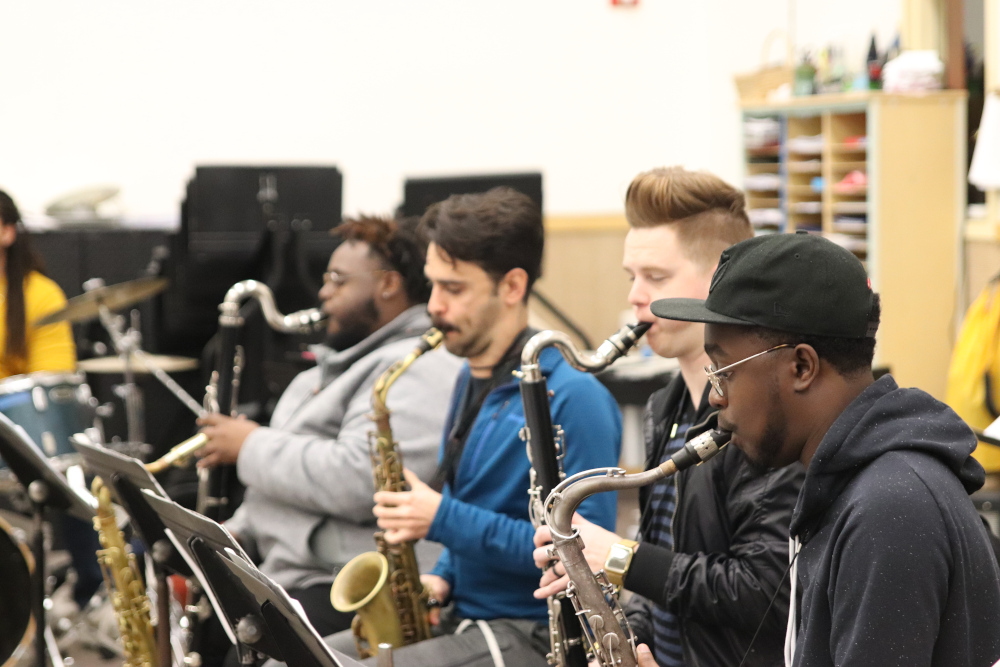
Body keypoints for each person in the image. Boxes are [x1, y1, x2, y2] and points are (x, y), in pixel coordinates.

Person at [649, 231, 1000, 667]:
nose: (715, 397)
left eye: (723, 371)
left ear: (801, 366)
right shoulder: (856, 485)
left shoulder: (887, 509)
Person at [338, 187, 623, 666]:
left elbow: (583, 556)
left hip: (533, 632)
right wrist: (443, 576)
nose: (434, 306)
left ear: (512, 286)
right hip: (464, 614)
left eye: (453, 289)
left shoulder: (576, 397)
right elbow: (476, 502)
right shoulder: (470, 377)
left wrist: (440, 518)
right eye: (432, 285)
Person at [532, 167, 803, 667]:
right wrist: (628, 636)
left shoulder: (765, 422)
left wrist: (620, 558)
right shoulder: (666, 405)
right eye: (631, 277)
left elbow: (769, 591)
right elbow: (661, 562)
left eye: (655, 278)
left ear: (722, 282)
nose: (635, 296)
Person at [194, 215, 462, 663]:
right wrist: (229, 533)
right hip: (289, 571)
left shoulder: (417, 366)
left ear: (388, 285)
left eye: (338, 280)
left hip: (342, 582)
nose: (323, 293)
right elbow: (281, 487)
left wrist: (250, 445)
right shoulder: (328, 369)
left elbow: (358, 478)